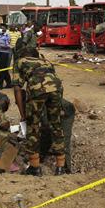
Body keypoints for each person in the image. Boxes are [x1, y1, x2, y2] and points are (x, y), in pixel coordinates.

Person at [12, 47, 66, 176]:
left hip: (37, 88)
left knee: (33, 127)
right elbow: (53, 80)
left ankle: (35, 167)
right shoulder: (46, 61)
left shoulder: (20, 61)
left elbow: (17, 89)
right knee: (56, 125)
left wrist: (23, 114)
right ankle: (60, 166)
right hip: (57, 88)